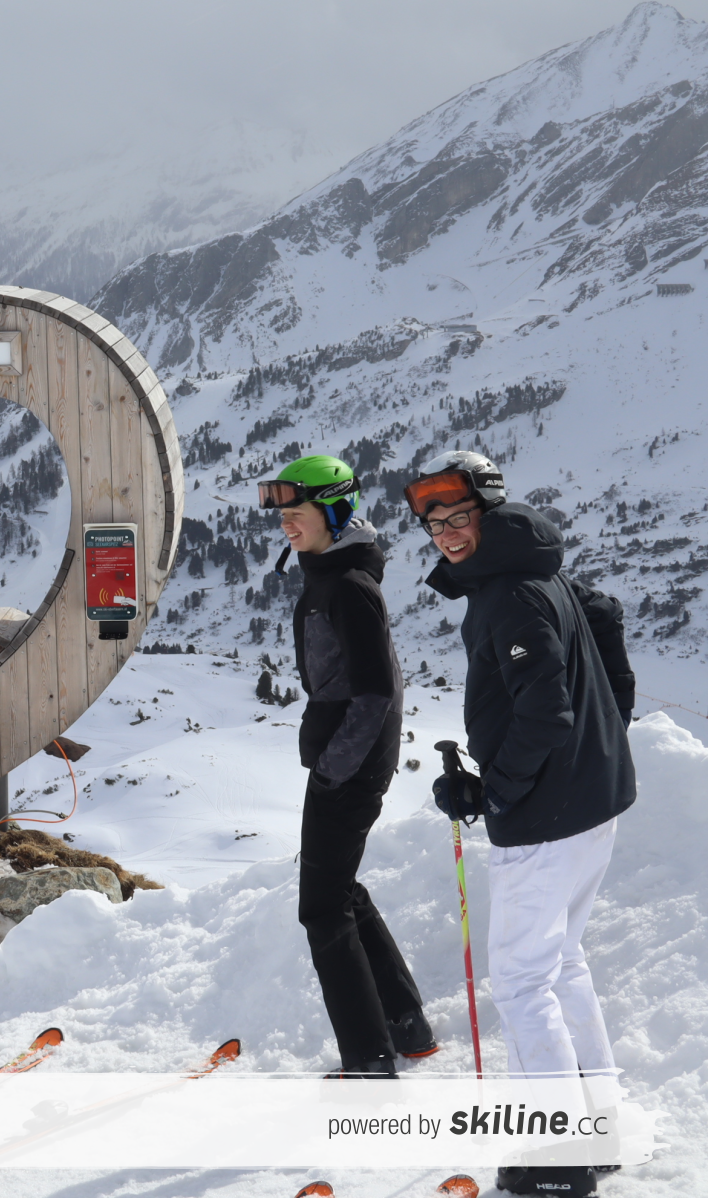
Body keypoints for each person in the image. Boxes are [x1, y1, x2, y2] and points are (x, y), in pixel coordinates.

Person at [409, 451, 635, 1198]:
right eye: (435, 524)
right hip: (588, 803)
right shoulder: (539, 571)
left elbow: (545, 713)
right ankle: (598, 1125)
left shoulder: (509, 594)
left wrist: (493, 792)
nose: (447, 533)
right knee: (561, 963)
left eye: (459, 517)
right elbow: (604, 627)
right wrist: (606, 739)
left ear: (491, 511)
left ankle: (559, 1155)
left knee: (520, 981)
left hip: (546, 818)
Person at [259, 454, 435, 1079]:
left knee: (321, 907)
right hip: (349, 761)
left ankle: (369, 1058)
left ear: (333, 512)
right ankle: (407, 1026)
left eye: (298, 511)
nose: (287, 523)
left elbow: (376, 690)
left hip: (351, 766)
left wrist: (334, 767)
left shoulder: (349, 586)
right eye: (281, 513)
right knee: (340, 889)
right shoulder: (330, 575)